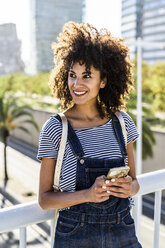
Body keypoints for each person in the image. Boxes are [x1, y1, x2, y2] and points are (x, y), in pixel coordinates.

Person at [37, 21, 142, 248]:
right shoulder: (55, 128)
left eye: (87, 76)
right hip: (75, 237)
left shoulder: (123, 123)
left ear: (103, 81)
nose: (77, 83)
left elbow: (135, 183)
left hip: (123, 232)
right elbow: (45, 200)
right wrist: (88, 194)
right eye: (72, 74)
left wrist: (128, 187)